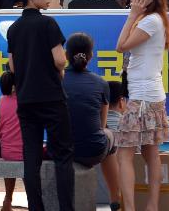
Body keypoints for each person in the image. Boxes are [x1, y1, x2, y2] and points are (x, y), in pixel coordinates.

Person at [6, 0, 73, 211]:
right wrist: (59, 69)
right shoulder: (48, 24)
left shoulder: (14, 29)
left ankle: (36, 207)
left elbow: (13, 67)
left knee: (31, 158)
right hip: (52, 99)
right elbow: (60, 59)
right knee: (63, 156)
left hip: (26, 100)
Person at [115, 0, 169, 211]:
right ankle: (151, 206)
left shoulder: (149, 21)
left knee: (124, 153)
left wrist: (131, 16)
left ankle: (131, 207)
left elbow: (121, 46)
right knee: (151, 152)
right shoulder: (155, 19)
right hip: (150, 93)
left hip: (142, 96)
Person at [63, 33, 120, 211]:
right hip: (92, 150)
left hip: (62, 150)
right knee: (110, 136)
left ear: (66, 55)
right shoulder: (101, 83)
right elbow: (101, 126)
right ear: (91, 55)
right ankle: (115, 199)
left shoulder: (57, 81)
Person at [0, 71, 22, 211]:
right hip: (26, 153)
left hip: (6, 152)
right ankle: (33, 199)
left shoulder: (2, 100)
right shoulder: (27, 100)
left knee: (11, 159)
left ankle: (7, 200)